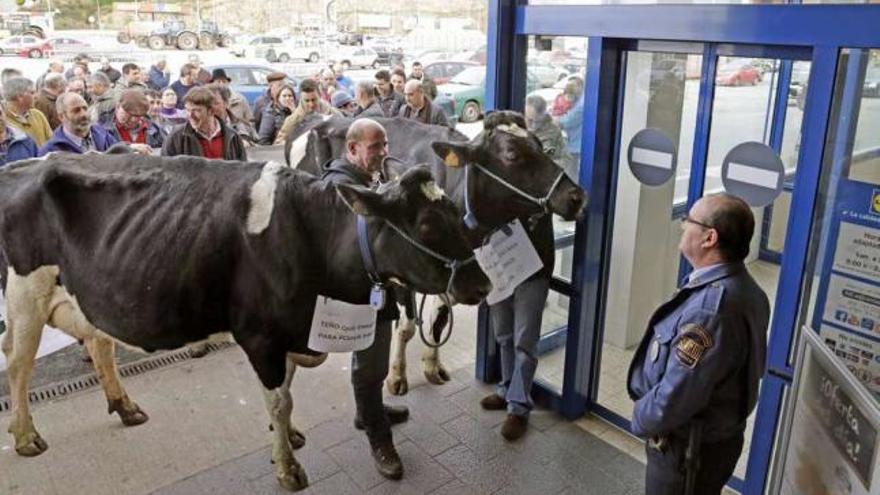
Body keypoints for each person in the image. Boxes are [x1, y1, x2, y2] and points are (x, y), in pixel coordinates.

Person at [627, 193, 770, 495]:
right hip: (713, 444)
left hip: (686, 453)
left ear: (709, 238)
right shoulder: (747, 289)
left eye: (688, 220)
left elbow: (676, 396)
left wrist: (640, 417)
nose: (682, 226)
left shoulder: (711, 311)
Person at [321, 119, 408, 481]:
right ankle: (379, 439)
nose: (383, 152)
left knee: (374, 362)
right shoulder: (338, 188)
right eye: (375, 147)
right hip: (358, 292)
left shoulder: (367, 179)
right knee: (369, 365)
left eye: (385, 145)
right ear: (352, 148)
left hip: (377, 289)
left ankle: (367, 410)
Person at [479, 196, 555, 442]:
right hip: (499, 269)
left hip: (532, 271)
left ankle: (519, 407)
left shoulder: (538, 181)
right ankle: (506, 388)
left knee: (525, 342)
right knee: (503, 334)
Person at [161, 87, 247, 161]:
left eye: (197, 110)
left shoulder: (232, 137)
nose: (190, 116)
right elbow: (165, 170)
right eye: (187, 110)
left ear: (211, 111)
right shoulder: (176, 137)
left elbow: (243, 171)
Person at [39, 92, 118, 155]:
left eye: (85, 108)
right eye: (76, 111)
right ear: (61, 117)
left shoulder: (104, 135)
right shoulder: (51, 151)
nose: (83, 114)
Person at [273, 79, 339, 145]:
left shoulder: (333, 114)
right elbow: (278, 144)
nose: (311, 104)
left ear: (320, 96)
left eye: (314, 100)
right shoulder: (293, 120)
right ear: (301, 99)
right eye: (307, 101)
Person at [525, 95, 574, 178]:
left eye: (537, 121)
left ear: (543, 115)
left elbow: (567, 160)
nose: (532, 125)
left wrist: (545, 164)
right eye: (529, 119)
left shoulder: (553, 131)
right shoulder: (517, 127)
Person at [2, 77, 52, 146]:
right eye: (32, 93)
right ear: (20, 96)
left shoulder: (38, 114)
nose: (36, 96)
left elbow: (51, 141)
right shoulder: (3, 121)